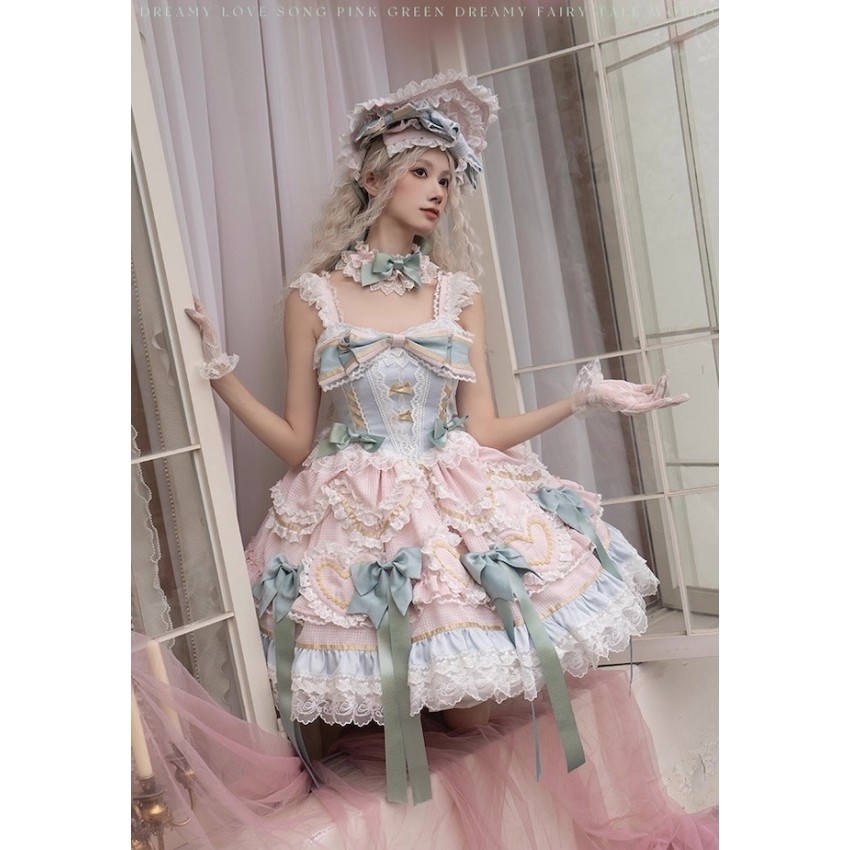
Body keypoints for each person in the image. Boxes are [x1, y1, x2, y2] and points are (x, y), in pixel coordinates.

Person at [186, 71, 688, 806]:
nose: (438, 191)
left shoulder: (459, 294)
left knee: (472, 709)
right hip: (355, 507)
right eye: (421, 172)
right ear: (372, 177)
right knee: (379, 691)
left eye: (447, 179)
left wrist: (583, 400)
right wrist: (219, 375)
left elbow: (483, 429)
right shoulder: (313, 297)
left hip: (452, 492)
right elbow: (296, 443)